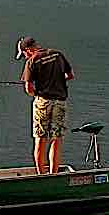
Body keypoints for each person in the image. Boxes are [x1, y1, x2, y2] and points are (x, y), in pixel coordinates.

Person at [16, 36, 74, 173]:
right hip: (60, 102)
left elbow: (29, 89)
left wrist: (37, 93)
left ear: (29, 50)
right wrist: (59, 79)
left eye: (24, 53)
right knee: (56, 139)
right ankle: (54, 173)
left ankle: (41, 174)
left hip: (42, 102)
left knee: (40, 139)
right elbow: (70, 75)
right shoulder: (57, 54)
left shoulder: (32, 61)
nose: (24, 57)